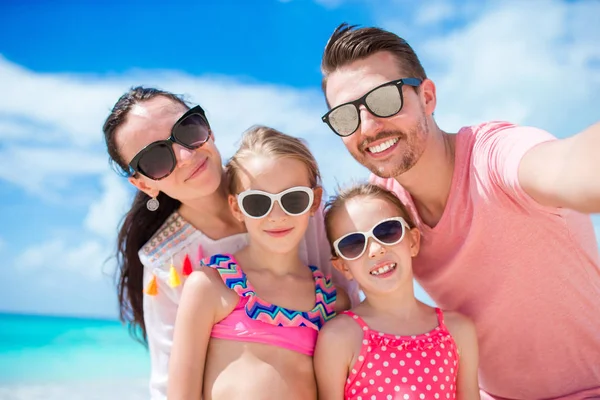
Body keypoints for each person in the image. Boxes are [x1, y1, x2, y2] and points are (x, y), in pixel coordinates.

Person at [319, 23, 600, 400]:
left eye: (384, 99)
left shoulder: (495, 156)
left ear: (428, 96)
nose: (368, 126)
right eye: (345, 116)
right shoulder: (382, 213)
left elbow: (568, 167)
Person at [102, 88, 357, 399]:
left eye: (187, 128)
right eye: (156, 159)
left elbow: (350, 306)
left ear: (206, 126)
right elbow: (169, 384)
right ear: (143, 184)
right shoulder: (165, 261)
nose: (185, 155)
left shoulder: (290, 189)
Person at [168, 125, 350, 400]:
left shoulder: (332, 302)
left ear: (314, 202)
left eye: (293, 199)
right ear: (236, 208)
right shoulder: (211, 286)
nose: (276, 215)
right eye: (258, 203)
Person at [314, 183, 479, 400]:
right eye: (353, 244)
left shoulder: (458, 331)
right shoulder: (339, 337)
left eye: (387, 231)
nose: (375, 250)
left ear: (413, 241)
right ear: (344, 267)